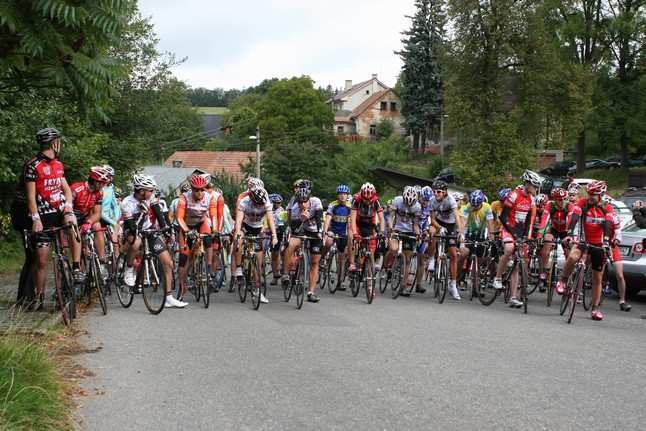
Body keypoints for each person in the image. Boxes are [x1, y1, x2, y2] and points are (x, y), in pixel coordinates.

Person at [16, 128, 76, 308]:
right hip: (42, 216)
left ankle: (74, 274)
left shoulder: (58, 164)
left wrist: (68, 206)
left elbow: (66, 190)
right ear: (53, 143)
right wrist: (35, 219)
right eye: (59, 141)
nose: (60, 145)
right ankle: (38, 297)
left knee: (72, 230)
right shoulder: (33, 165)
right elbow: (30, 197)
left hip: (59, 213)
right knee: (41, 259)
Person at [121, 174, 185, 308]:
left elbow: (160, 217)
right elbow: (133, 226)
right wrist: (142, 213)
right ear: (141, 190)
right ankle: (128, 267)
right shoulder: (127, 202)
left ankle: (168, 297)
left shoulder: (152, 199)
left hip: (149, 231)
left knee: (168, 263)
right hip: (132, 230)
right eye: (150, 190)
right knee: (137, 242)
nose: (152, 192)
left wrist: (166, 230)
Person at [557, 180, 613, 321]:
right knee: (572, 257)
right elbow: (575, 216)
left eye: (593, 194)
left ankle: (595, 309)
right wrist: (569, 233)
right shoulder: (583, 202)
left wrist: (606, 242)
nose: (590, 196)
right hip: (583, 241)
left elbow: (608, 223)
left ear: (601, 194)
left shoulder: (606, 207)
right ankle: (563, 280)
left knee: (597, 278)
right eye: (589, 193)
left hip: (599, 244)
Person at [493, 169, 541, 308]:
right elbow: (503, 217)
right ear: (526, 184)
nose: (536, 189)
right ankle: (497, 277)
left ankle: (513, 297)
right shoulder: (514, 195)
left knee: (518, 265)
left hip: (520, 231)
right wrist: (513, 233)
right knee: (509, 248)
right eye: (534, 186)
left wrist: (528, 236)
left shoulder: (532, 200)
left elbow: (530, 221)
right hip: (508, 228)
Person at [175, 174, 219, 301]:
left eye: (202, 189)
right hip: (186, 225)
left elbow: (213, 215)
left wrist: (215, 229)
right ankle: (182, 287)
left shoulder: (209, 197)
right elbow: (179, 218)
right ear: (191, 189)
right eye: (196, 189)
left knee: (208, 238)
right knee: (184, 258)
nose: (199, 192)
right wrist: (187, 231)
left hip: (201, 223)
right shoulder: (184, 198)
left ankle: (208, 267)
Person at [234, 187, 278, 304]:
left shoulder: (266, 202)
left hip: (257, 229)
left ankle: (258, 291)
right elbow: (238, 221)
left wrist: (274, 236)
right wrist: (238, 232)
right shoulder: (244, 202)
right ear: (252, 200)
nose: (259, 206)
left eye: (261, 204)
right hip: (246, 226)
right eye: (257, 204)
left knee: (258, 264)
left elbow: (270, 220)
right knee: (237, 240)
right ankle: (238, 268)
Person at [282, 186, 324, 303]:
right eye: (300, 202)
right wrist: (301, 219)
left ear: (309, 199)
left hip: (315, 231)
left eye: (305, 201)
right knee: (291, 244)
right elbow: (294, 229)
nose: (302, 204)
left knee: (315, 261)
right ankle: (285, 274)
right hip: (302, 230)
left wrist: (320, 232)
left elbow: (320, 219)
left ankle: (311, 292)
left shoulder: (316, 202)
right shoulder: (295, 209)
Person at [69, 166, 112, 279]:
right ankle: (76, 267)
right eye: (101, 183)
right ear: (94, 181)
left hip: (85, 216)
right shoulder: (76, 189)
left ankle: (102, 262)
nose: (103, 185)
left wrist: (89, 222)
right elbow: (66, 207)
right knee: (76, 232)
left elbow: (97, 213)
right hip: (71, 216)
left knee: (97, 226)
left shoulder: (99, 193)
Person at [348, 183, 386, 300]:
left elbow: (382, 219)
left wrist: (382, 232)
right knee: (351, 236)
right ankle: (353, 263)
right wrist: (354, 233)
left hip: (370, 224)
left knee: (372, 248)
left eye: (369, 200)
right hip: (358, 224)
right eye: (365, 199)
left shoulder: (376, 201)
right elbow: (353, 219)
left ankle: (370, 285)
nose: (367, 202)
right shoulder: (356, 200)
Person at [429, 180, 464, 300]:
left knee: (454, 254)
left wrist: (461, 232)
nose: (436, 193)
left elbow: (457, 217)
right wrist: (439, 227)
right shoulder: (432, 201)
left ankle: (453, 284)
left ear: (444, 192)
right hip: (438, 223)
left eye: (438, 191)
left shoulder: (451, 200)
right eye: (434, 191)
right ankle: (431, 260)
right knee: (432, 232)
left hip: (450, 225)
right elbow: (432, 219)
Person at [384, 186, 421, 296]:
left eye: (411, 204)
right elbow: (390, 217)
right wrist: (391, 228)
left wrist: (418, 234)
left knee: (407, 259)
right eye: (407, 202)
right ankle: (386, 267)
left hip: (409, 232)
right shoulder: (397, 201)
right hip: (397, 229)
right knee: (393, 249)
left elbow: (415, 224)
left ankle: (403, 287)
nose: (408, 205)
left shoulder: (418, 207)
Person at [537, 187, 573, 292]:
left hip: (565, 231)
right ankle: (544, 272)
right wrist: (540, 234)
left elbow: (570, 220)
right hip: (553, 229)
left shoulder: (569, 206)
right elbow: (544, 219)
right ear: (555, 199)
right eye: (559, 199)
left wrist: (569, 235)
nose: (562, 201)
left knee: (569, 253)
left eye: (564, 199)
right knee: (546, 244)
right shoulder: (550, 205)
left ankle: (566, 278)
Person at [458, 190, 494, 286]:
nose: (474, 207)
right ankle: (457, 275)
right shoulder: (468, 207)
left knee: (480, 258)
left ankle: (475, 282)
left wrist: (491, 237)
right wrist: (461, 234)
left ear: (481, 202)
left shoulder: (487, 207)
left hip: (481, 235)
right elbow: (463, 222)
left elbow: (490, 224)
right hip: (469, 234)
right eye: (473, 205)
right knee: (464, 253)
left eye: (477, 206)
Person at [322, 185, 352, 291]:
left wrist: (350, 233)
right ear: (337, 195)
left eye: (344, 194)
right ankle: (323, 257)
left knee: (342, 258)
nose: (342, 196)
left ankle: (340, 281)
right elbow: (328, 218)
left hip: (343, 232)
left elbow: (350, 221)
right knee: (328, 242)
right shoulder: (333, 205)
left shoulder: (350, 206)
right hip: (332, 230)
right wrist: (325, 231)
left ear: (347, 195)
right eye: (340, 194)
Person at [265, 193, 288, 285]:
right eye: (276, 203)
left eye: (279, 203)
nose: (278, 205)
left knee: (283, 253)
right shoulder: (267, 210)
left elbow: (285, 224)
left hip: (281, 233)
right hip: (272, 234)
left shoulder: (282, 211)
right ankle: (275, 275)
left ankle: (284, 274)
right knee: (274, 254)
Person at [100, 165, 121, 259]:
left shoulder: (110, 188)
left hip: (108, 218)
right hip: (98, 217)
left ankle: (117, 258)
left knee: (114, 235)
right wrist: (113, 222)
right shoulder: (98, 189)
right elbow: (98, 211)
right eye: (108, 176)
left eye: (111, 176)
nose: (110, 178)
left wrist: (115, 219)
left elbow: (115, 206)